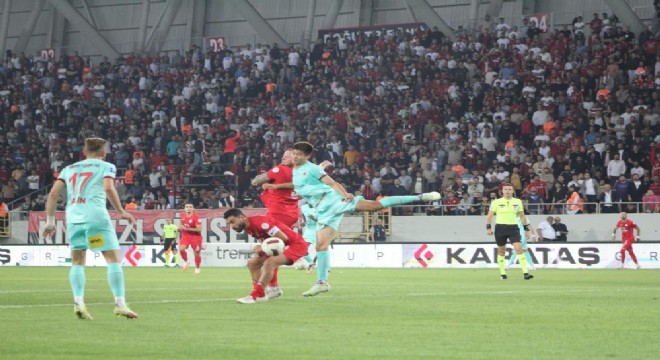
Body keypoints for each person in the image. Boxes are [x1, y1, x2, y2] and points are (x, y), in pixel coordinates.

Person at [291, 142, 440, 296]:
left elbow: (332, 182)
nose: (295, 156)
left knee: (376, 206)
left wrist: (345, 194)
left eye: (299, 154)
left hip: (333, 201)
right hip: (322, 210)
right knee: (321, 246)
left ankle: (418, 197)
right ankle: (322, 282)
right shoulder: (296, 170)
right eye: (293, 153)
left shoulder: (312, 169)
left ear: (307, 156)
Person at [42, 137, 138, 320]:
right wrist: (121, 211)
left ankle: (79, 302)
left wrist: (50, 221)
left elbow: (54, 194)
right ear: (103, 152)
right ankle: (120, 304)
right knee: (113, 259)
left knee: (77, 261)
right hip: (95, 218)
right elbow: (109, 188)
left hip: (74, 219)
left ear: (84, 152)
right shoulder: (106, 166)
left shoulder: (68, 169)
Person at [223, 208, 308, 304]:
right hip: (281, 245)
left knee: (270, 263)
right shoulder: (247, 227)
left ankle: (255, 296)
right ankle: (263, 294)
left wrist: (262, 247)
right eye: (229, 224)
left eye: (232, 222)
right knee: (253, 264)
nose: (232, 226)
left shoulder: (260, 223)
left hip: (295, 245)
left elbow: (283, 238)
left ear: (242, 217)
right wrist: (261, 247)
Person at [485, 183, 534, 280]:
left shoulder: (517, 201)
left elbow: (522, 216)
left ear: (513, 191)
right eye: (506, 189)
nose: (507, 191)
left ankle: (526, 273)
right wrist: (488, 228)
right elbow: (489, 216)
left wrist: (526, 229)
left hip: (513, 228)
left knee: (519, 248)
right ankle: (503, 273)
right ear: (502, 191)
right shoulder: (496, 202)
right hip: (500, 228)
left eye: (509, 189)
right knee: (501, 251)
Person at [178, 203, 203, 274]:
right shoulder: (182, 215)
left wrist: (187, 228)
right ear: (184, 209)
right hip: (186, 235)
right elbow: (181, 224)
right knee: (181, 249)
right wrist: (181, 227)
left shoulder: (196, 217)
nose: (188, 208)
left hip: (196, 236)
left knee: (196, 253)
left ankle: (197, 268)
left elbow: (199, 229)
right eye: (187, 207)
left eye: (190, 207)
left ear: (193, 209)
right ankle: (186, 262)